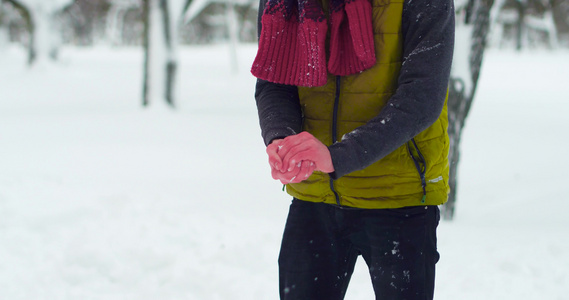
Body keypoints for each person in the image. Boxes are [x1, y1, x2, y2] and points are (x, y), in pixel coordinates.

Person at [251, 0, 455, 297]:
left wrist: (338, 156)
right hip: (316, 198)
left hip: (398, 199)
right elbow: (274, 80)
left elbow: (421, 98)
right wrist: (281, 137)